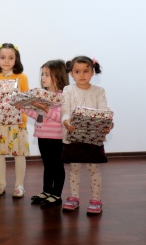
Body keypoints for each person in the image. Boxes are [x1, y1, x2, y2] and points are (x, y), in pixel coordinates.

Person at [61, 56, 113, 215]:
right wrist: (66, 122)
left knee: (93, 168)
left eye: (86, 71)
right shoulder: (68, 90)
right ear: (71, 74)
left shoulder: (99, 91)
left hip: (93, 138)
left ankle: (96, 199)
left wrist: (108, 124)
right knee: (74, 168)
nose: (82, 75)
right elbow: (65, 109)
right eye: (77, 71)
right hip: (73, 136)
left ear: (92, 72)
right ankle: (74, 197)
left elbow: (104, 111)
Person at [0, 43, 30, 198]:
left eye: (11, 58)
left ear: (16, 59)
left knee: (19, 154)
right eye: (3, 57)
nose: (6, 61)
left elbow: (26, 98)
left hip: (17, 122)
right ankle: (1, 183)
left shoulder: (22, 77)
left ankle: (19, 185)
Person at [23, 60, 69, 208]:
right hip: (42, 136)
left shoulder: (62, 97)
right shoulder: (43, 96)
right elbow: (39, 116)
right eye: (42, 74)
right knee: (48, 165)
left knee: (57, 166)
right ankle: (47, 191)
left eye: (47, 75)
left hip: (56, 138)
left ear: (58, 76)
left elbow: (61, 118)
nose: (43, 78)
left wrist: (46, 109)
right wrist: (22, 108)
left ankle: (56, 194)